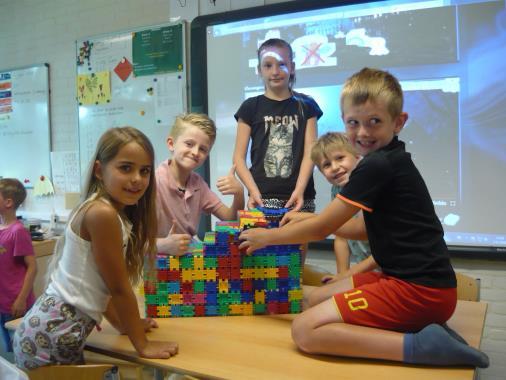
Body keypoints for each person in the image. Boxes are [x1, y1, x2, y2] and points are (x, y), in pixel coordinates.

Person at [239, 68, 489, 368]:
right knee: (313, 301)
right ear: (344, 124)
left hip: (420, 292)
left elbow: (324, 229)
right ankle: (414, 327)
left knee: (304, 330)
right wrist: (306, 219)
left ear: (398, 122)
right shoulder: (388, 160)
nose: (362, 132)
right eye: (353, 123)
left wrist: (266, 237)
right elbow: (360, 229)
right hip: (408, 282)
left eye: (375, 122)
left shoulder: (377, 166)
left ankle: (421, 345)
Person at [12, 127, 178, 371]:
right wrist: (142, 345)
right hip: (53, 335)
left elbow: (101, 288)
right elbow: (119, 288)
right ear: (99, 170)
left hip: (49, 330)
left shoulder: (107, 211)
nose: (137, 179)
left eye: (144, 171)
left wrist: (124, 325)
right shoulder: (102, 214)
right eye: (125, 168)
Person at [233, 38, 323, 214]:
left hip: (300, 196)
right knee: (261, 242)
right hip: (261, 196)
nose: (275, 71)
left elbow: (311, 152)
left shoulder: (307, 104)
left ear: (292, 67)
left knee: (297, 241)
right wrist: (253, 191)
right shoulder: (250, 106)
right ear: (259, 70)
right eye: (268, 65)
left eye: (281, 64)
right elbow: (238, 158)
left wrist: (299, 190)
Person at [156, 113, 244, 256]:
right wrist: (162, 245)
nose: (195, 152)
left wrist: (239, 193)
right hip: (157, 264)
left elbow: (230, 219)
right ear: (171, 144)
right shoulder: (153, 183)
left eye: (203, 149)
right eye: (189, 144)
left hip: (187, 261)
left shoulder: (198, 184)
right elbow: (132, 242)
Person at [310, 132, 372, 280]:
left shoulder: (369, 183)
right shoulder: (337, 190)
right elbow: (341, 238)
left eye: (340, 158)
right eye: (327, 165)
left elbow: (384, 249)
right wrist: (341, 275)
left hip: (389, 269)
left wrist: (347, 277)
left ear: (357, 155)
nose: (335, 167)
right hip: (365, 269)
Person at [0, 179, 37, 357]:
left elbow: (32, 267)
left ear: (8, 202)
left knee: (21, 352)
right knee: (7, 349)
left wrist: (21, 299)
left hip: (16, 303)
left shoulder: (17, 231)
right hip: (2, 302)